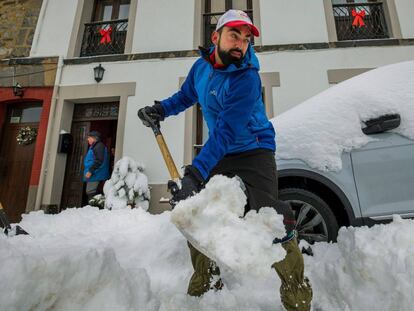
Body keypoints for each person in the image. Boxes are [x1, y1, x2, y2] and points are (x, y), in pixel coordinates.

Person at [138, 9, 312, 310]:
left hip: (254, 151)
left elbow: (228, 131)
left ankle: (296, 293)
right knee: (196, 211)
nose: (241, 44)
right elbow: (186, 95)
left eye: (246, 39)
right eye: (235, 35)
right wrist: (161, 110)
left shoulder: (247, 78)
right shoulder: (201, 68)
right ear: (215, 36)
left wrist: (195, 172)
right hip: (222, 151)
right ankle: (205, 284)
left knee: (270, 220)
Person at [83, 131, 110, 204]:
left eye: (89, 138)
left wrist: (90, 171)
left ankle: (93, 210)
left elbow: (99, 160)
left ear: (94, 138)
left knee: (91, 192)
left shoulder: (99, 146)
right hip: (95, 174)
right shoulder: (95, 146)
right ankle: (93, 209)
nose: (87, 139)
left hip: (96, 174)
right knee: (91, 192)